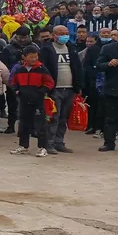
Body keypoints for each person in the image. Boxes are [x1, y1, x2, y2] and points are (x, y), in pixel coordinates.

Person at [40, 25, 82, 154]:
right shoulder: (46, 49)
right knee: (53, 117)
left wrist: (78, 86)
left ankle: (59, 142)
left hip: (70, 88)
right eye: (60, 33)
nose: (64, 35)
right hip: (54, 89)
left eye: (66, 33)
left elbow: (78, 68)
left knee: (64, 117)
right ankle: (49, 143)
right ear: (54, 35)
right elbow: (43, 70)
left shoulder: (71, 48)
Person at [10, 45, 55, 157]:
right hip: (24, 100)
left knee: (40, 125)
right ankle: (24, 146)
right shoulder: (20, 69)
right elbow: (13, 82)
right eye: (31, 57)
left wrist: (41, 91)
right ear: (24, 57)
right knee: (24, 124)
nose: (34, 59)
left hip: (38, 101)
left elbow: (50, 83)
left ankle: (42, 147)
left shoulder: (42, 69)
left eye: (36, 57)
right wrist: (16, 91)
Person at [0, 27, 33, 134]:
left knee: (29, 105)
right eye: (20, 37)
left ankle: (29, 128)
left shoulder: (33, 47)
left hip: (30, 80)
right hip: (13, 79)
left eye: (25, 37)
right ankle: (11, 126)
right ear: (16, 36)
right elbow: (3, 64)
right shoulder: (8, 48)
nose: (23, 40)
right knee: (12, 104)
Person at [82, 34, 104, 136]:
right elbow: (86, 66)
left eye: (91, 42)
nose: (89, 44)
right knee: (93, 105)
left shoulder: (99, 49)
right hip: (91, 82)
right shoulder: (89, 51)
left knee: (99, 106)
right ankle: (93, 126)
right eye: (88, 42)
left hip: (101, 81)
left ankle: (97, 127)